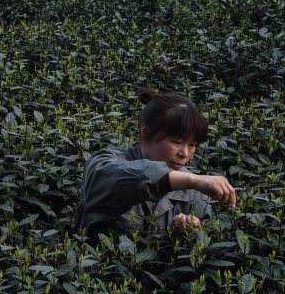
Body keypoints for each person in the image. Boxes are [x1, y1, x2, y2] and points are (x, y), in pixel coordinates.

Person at [76, 87, 236, 239]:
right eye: (176, 142)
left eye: (192, 145)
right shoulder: (104, 163)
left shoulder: (195, 191)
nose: (185, 153)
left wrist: (189, 234)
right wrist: (193, 180)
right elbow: (127, 178)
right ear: (146, 132)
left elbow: (203, 248)